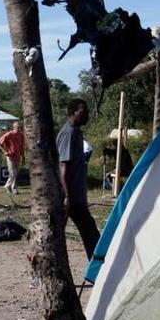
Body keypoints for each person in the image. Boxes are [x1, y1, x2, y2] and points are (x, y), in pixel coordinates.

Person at [57, 99, 101, 260]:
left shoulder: (75, 132)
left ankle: (97, 270)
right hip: (71, 197)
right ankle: (98, 270)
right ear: (74, 111)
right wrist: (67, 196)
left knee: (90, 233)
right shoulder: (68, 133)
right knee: (90, 233)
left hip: (76, 195)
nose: (87, 114)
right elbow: (63, 166)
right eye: (84, 111)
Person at [0, 121, 25, 194]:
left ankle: (13, 188)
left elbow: (22, 146)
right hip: (10, 156)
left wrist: (23, 156)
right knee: (13, 173)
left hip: (18, 156)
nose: (19, 129)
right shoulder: (9, 134)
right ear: (14, 127)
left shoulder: (21, 135)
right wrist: (5, 151)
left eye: (20, 127)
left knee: (15, 173)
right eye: (18, 128)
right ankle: (7, 185)